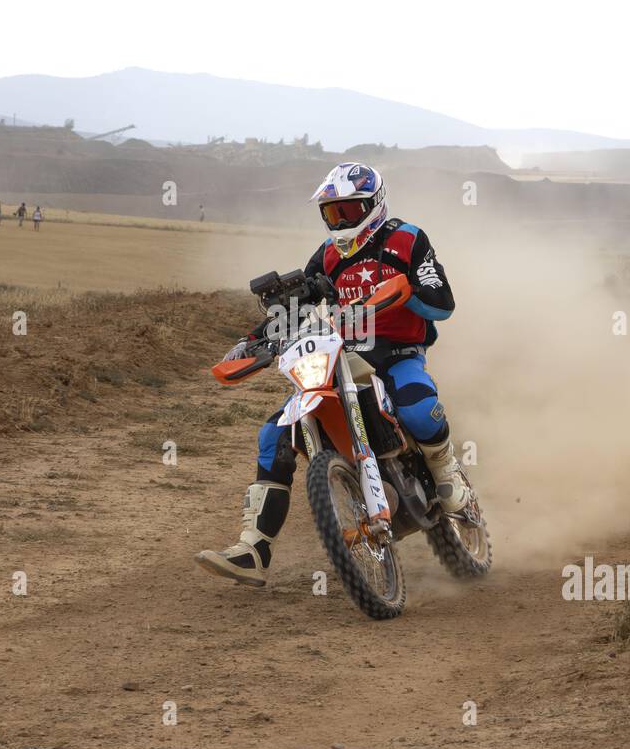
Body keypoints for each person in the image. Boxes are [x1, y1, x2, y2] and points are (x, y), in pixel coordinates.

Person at [195, 163, 468, 587]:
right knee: (273, 436)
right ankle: (253, 549)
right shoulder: (326, 256)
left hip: (398, 353)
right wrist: (254, 338)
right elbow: (298, 303)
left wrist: (401, 294)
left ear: (372, 205)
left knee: (418, 409)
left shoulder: (406, 239)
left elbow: (442, 302)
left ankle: (447, 473)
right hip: (341, 353)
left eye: (348, 210)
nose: (339, 221)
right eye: (332, 213)